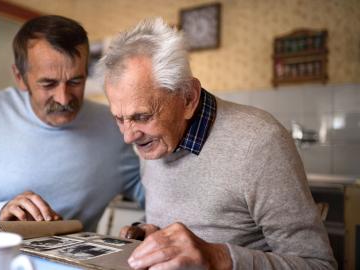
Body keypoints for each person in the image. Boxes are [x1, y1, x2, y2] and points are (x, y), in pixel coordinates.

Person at [98, 18, 336, 269]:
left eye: (143, 116)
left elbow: (319, 265)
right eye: (119, 119)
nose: (128, 136)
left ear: (188, 98)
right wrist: (148, 231)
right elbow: (185, 219)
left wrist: (219, 257)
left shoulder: (259, 143)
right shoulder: (151, 140)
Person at [0, 15, 144, 232]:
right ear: (19, 77)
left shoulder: (113, 125)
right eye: (48, 84)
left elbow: (153, 194)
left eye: (75, 81)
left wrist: (146, 228)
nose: (63, 98)